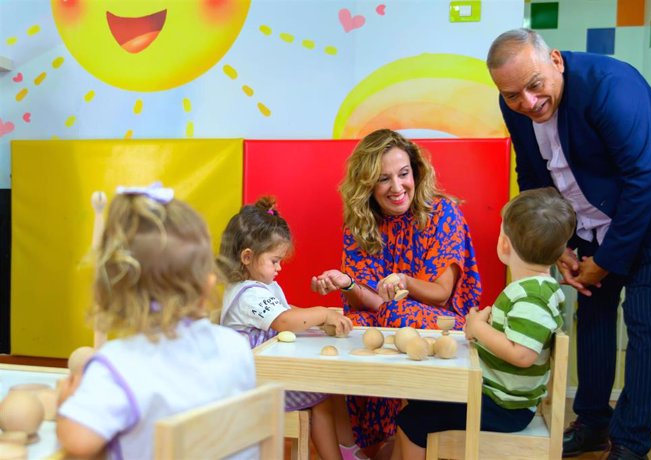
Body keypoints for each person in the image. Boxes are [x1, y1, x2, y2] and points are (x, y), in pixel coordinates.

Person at [486, 28, 651, 460]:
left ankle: (631, 444)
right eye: (512, 95)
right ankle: (593, 424)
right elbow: (534, 174)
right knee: (593, 318)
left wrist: (609, 259)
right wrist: (557, 242)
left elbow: (644, 178)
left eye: (535, 85)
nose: (527, 102)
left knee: (646, 328)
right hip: (591, 217)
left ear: (555, 61)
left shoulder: (608, 88)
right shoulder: (516, 102)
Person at [311, 128, 482, 454]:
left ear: (415, 172)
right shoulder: (360, 223)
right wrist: (345, 283)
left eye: (403, 174)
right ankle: (371, 446)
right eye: (384, 179)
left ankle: (378, 444)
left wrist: (404, 281)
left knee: (384, 317)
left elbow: (442, 292)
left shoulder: (442, 213)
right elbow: (371, 301)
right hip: (384, 320)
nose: (397, 187)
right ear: (368, 185)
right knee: (362, 321)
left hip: (441, 322)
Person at [56, 183, 256, 459]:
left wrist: (66, 403)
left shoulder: (118, 366)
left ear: (112, 290)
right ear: (207, 285)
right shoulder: (237, 347)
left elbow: (79, 441)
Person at [392, 187, 576, 460]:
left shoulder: (532, 297)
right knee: (419, 399)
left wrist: (478, 329)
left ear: (504, 244)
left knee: (412, 421)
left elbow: (523, 354)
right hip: (501, 399)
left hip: (504, 407)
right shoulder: (536, 289)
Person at [218, 196, 366, 460]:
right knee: (320, 394)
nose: (279, 267)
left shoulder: (262, 285)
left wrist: (325, 318)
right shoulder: (248, 294)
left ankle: (347, 449)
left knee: (330, 387)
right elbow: (284, 321)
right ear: (247, 257)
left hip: (267, 376)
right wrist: (321, 313)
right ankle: (336, 456)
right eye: (274, 260)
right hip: (253, 387)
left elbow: (285, 311)